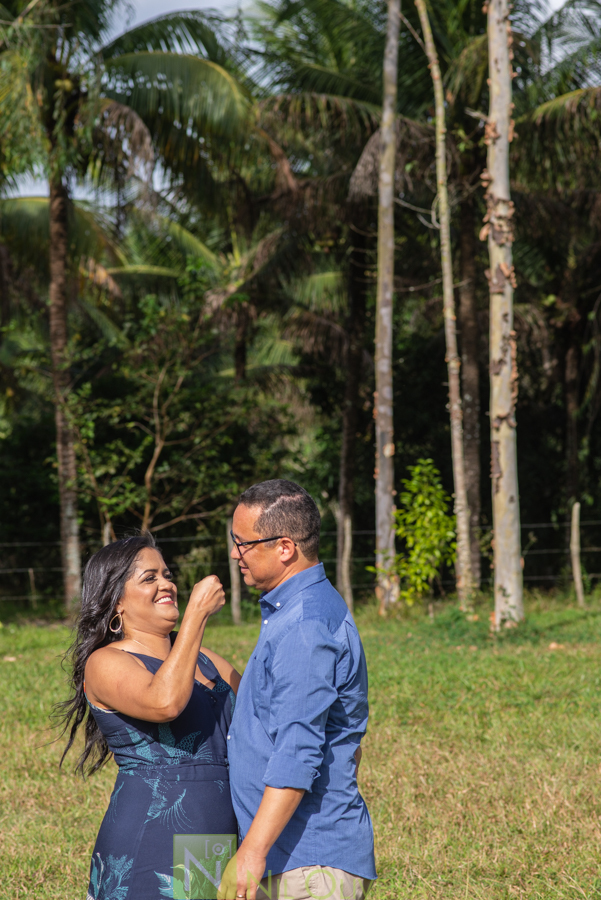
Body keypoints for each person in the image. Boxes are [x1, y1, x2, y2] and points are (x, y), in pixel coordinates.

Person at [58, 532, 241, 900]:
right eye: (149, 578)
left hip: (216, 837)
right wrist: (195, 618)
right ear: (117, 602)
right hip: (151, 835)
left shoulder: (209, 661)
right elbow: (164, 703)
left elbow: (263, 720)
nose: (166, 584)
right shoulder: (106, 663)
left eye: (167, 574)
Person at [219, 480, 376, 900]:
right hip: (290, 858)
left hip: (306, 866)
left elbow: (297, 751)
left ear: (284, 547)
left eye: (243, 543)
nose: (235, 554)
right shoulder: (293, 612)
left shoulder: (304, 626)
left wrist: (252, 850)